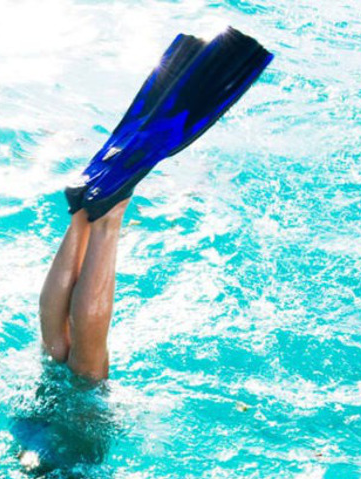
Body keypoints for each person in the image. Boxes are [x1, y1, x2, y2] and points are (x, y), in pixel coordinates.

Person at [39, 27, 273, 380]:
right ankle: (84, 213)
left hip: (61, 424)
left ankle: (105, 212)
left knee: (86, 369)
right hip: (35, 416)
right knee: (54, 350)